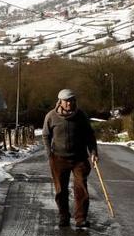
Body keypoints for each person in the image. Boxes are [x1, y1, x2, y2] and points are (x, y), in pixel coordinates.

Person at [42, 89, 98, 228]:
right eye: (66, 101)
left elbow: (90, 135)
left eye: (72, 100)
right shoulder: (51, 116)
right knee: (61, 190)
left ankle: (80, 219)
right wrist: (49, 153)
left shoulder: (81, 116)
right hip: (59, 158)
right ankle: (64, 216)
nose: (69, 104)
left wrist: (93, 151)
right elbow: (45, 135)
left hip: (79, 158)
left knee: (81, 189)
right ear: (60, 101)